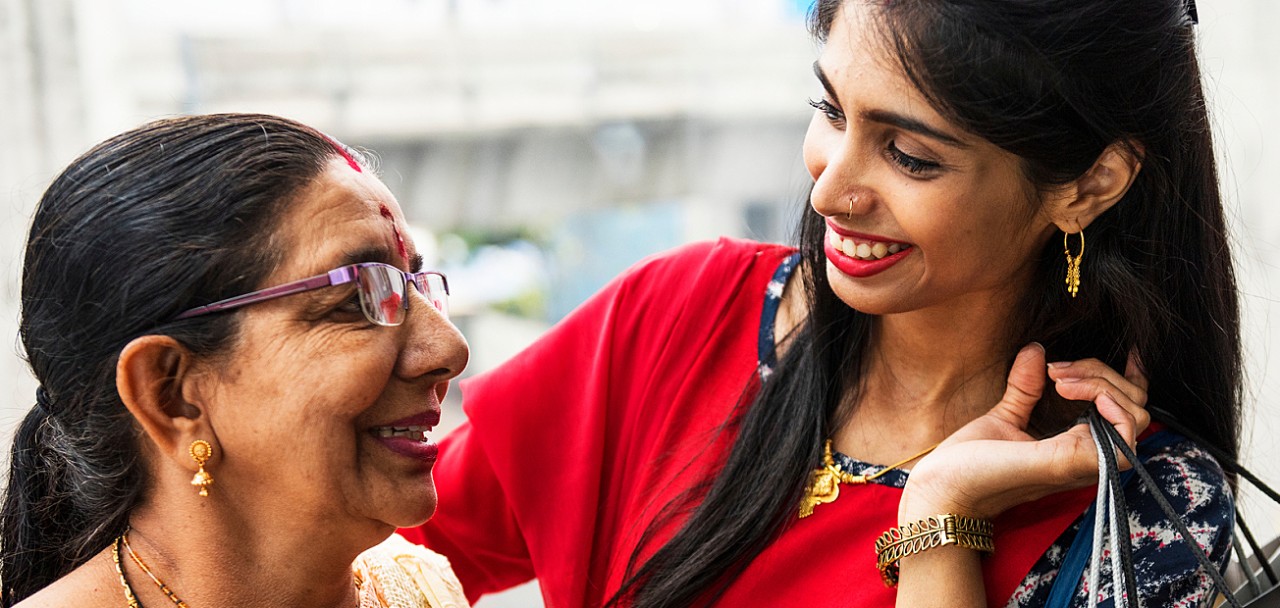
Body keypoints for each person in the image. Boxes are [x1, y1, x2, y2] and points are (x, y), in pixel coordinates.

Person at [402, 0, 1238, 606]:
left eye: (910, 156)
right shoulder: (684, 308)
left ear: (1089, 185)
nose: (831, 188)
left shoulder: (1142, 500)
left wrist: (943, 517)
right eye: (830, 111)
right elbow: (403, 553)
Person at [0, 113, 472, 608]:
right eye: (357, 299)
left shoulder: (423, 586)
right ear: (172, 395)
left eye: (416, 287)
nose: (449, 350)